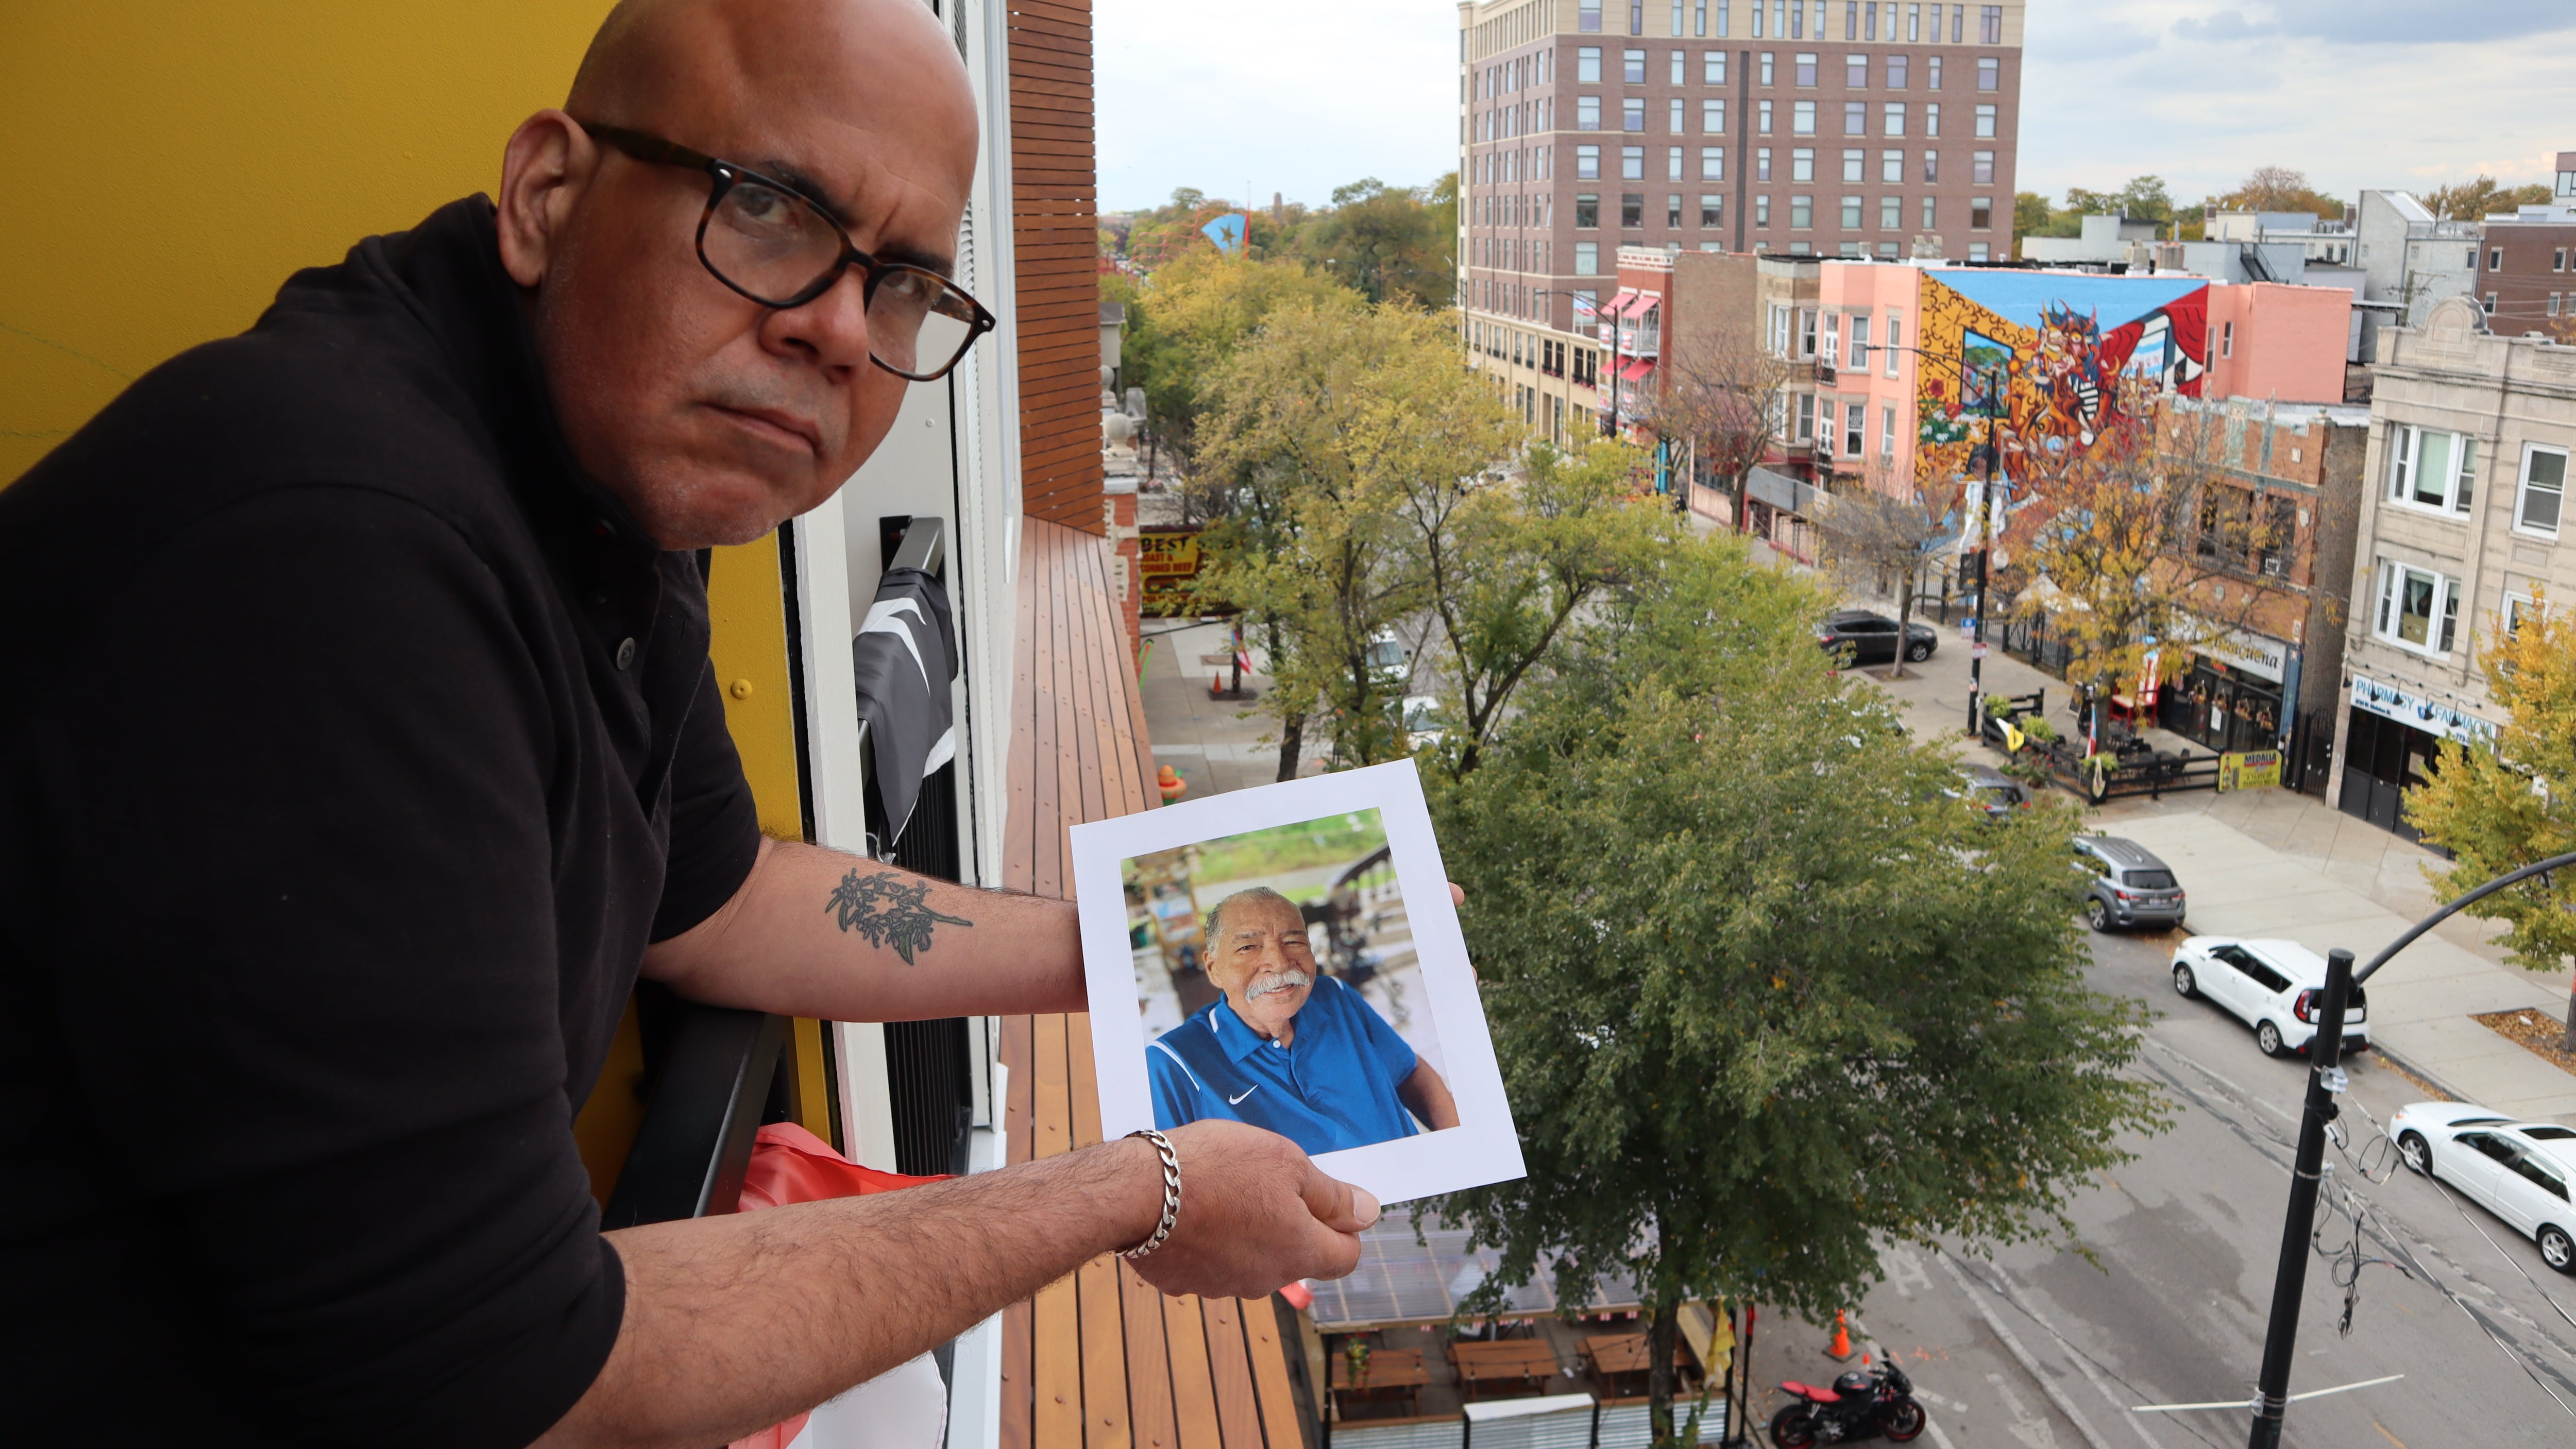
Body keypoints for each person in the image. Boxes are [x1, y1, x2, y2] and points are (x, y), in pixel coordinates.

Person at [0, 2, 1381, 1445]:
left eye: (906, 281)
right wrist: (1135, 1185)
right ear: (547, 194)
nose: (843, 328)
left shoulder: (604, 475)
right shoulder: (330, 557)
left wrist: (1167, 936)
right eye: (774, 206)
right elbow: (522, 1372)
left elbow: (717, 896)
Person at [1149, 888, 1460, 1154]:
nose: (1280, 963)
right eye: (1248, 947)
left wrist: (1462, 1149)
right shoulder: (1171, 1064)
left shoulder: (1334, 996)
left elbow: (1408, 1073)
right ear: (1214, 968)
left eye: (1294, 942)